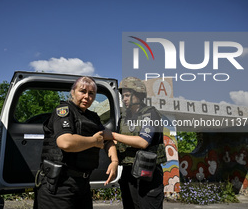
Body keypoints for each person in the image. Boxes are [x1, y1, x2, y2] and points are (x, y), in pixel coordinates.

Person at [34, 76, 118, 209]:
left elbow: (107, 139)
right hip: (59, 184)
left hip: (82, 185)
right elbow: (65, 142)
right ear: (73, 92)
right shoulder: (64, 111)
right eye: (82, 91)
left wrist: (114, 161)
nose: (86, 96)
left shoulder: (93, 117)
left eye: (91, 94)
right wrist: (94, 141)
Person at [104, 77, 166, 209]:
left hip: (147, 174)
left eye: (127, 95)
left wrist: (113, 135)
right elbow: (117, 140)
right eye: (123, 95)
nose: (124, 99)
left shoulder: (150, 114)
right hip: (129, 172)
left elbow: (143, 142)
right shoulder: (124, 118)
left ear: (138, 94)